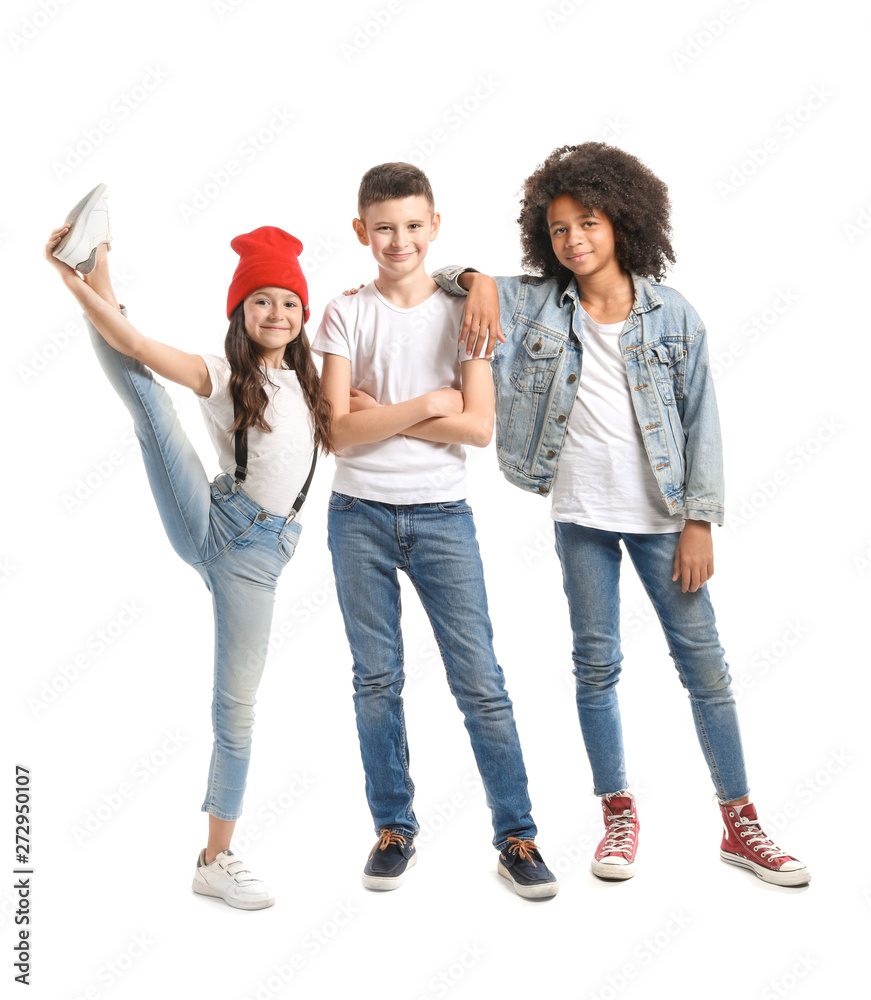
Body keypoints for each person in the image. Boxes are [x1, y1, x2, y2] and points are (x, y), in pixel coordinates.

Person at [431, 143, 810, 887]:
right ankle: (617, 814)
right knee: (595, 666)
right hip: (580, 517)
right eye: (560, 229)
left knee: (705, 669)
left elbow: (701, 421)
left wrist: (699, 520)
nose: (574, 240)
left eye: (589, 225)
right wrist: (475, 279)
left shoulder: (675, 317)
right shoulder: (537, 300)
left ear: (623, 224)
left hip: (666, 518)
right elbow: (446, 279)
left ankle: (740, 821)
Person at [45, 184, 332, 908]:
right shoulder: (223, 372)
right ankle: (93, 259)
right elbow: (136, 346)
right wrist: (72, 282)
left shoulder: (313, 383)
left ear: (303, 315)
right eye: (262, 301)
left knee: (238, 702)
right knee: (147, 401)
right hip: (216, 523)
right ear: (241, 311)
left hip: (264, 558)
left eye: (290, 303)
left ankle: (211, 859)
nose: (278, 314)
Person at [312, 162, 557, 898]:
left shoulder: (464, 314)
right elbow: (338, 434)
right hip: (356, 515)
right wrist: (427, 402)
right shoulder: (343, 313)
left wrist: (378, 414)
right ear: (361, 231)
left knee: (479, 681)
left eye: (413, 226)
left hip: (442, 516)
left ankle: (515, 836)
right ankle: (394, 828)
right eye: (383, 227)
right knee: (375, 680)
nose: (399, 240)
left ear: (434, 227)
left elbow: (478, 427)